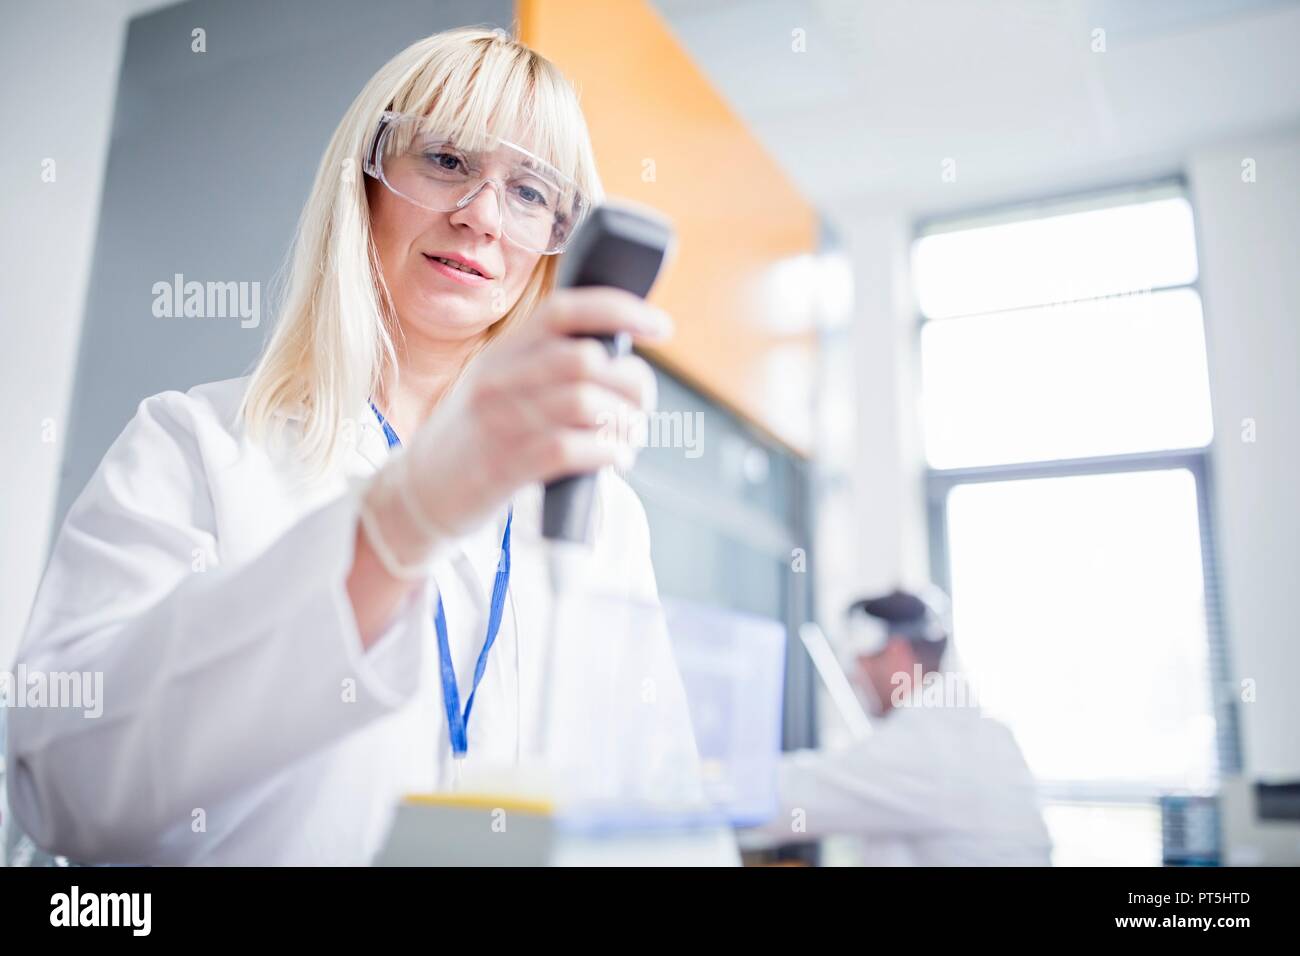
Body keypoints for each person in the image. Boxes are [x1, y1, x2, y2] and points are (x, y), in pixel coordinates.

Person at [5, 27, 700, 865]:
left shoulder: (603, 513)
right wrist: (398, 522)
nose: (481, 216)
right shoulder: (196, 447)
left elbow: (663, 815)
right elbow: (64, 785)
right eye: (446, 160)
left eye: (528, 192)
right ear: (364, 180)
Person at [760, 589, 1052, 865]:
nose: (855, 678)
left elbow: (782, 797)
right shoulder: (980, 732)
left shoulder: (927, 744)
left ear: (897, 654)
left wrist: (718, 771)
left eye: (862, 663)